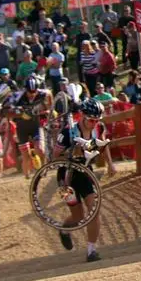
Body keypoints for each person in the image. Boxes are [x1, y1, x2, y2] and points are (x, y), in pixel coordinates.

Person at [54, 98, 111, 262]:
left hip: (85, 173)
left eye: (96, 120)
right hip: (65, 177)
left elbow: (103, 145)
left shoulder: (98, 128)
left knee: (94, 210)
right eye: (91, 120)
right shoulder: (67, 132)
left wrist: (110, 164)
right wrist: (73, 152)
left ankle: (91, 250)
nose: (94, 123)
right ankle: (64, 230)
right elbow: (54, 157)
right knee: (77, 216)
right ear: (82, 116)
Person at [8, 75, 50, 178]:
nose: (33, 94)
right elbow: (8, 112)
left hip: (36, 126)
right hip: (22, 128)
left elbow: (49, 101)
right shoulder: (18, 97)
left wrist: (46, 111)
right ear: (25, 89)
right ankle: (27, 177)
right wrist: (20, 114)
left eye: (34, 91)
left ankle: (43, 170)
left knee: (40, 149)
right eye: (30, 92)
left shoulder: (42, 94)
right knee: (25, 156)